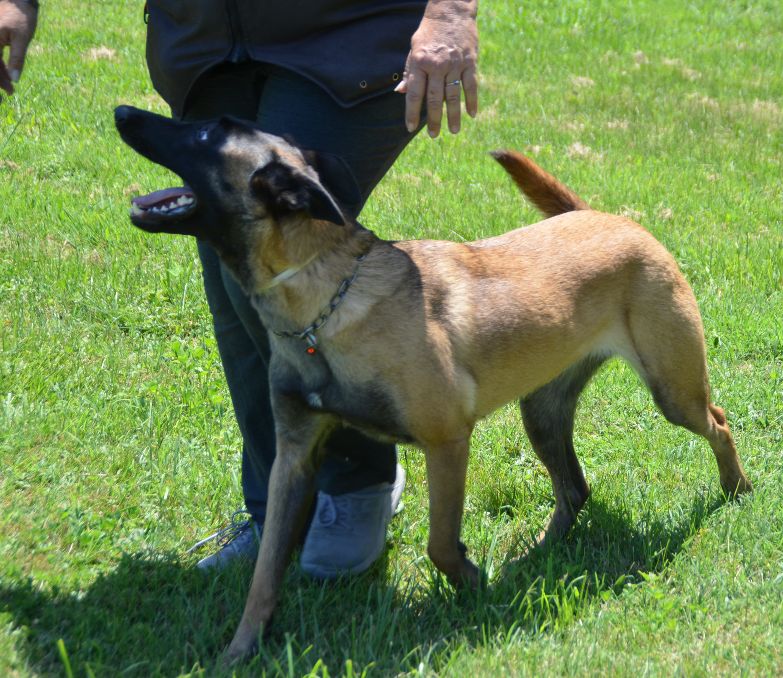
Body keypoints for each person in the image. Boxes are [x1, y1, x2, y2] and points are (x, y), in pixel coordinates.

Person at [0, 0, 479, 577]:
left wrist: (450, 11)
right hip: (204, 42)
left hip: (347, 35)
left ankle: (356, 485)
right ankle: (274, 506)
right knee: (236, 273)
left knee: (296, 256)